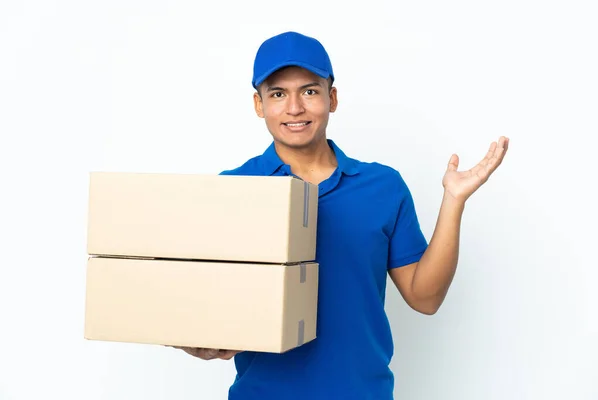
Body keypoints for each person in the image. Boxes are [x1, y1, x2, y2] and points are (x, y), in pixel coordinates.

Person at [175, 31, 509, 399]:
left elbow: (424, 298)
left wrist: (454, 200)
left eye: (309, 91)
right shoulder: (233, 190)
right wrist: (193, 341)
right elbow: (195, 302)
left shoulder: (383, 187)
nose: (295, 108)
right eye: (277, 94)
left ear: (331, 98)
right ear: (259, 105)